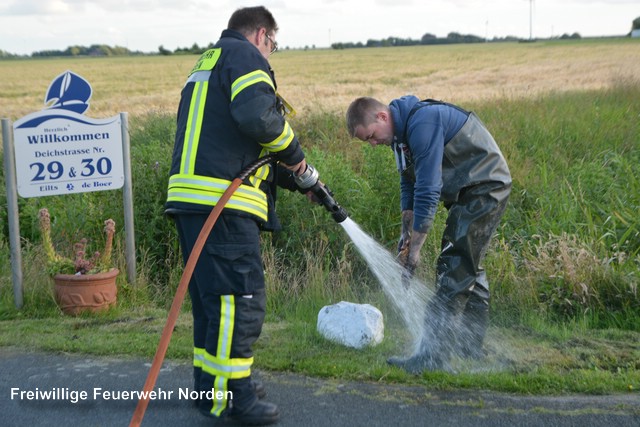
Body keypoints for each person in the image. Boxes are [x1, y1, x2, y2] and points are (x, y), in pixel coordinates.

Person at [165, 6, 308, 425]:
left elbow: (234, 142)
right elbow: (259, 119)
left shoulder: (210, 60)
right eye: (274, 46)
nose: (271, 55)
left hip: (194, 200)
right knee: (239, 299)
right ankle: (237, 397)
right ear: (261, 35)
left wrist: (296, 181)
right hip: (222, 205)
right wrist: (298, 160)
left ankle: (211, 389)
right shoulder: (246, 57)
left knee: (214, 302)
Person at [345, 95, 511, 374]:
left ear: (382, 117)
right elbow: (408, 186)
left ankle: (433, 356)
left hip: (485, 187)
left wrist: (416, 250)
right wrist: (405, 238)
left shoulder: (423, 122)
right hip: (468, 190)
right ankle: (469, 348)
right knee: (468, 267)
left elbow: (428, 188)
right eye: (367, 142)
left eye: (371, 136)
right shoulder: (399, 137)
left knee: (453, 266)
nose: (373, 144)